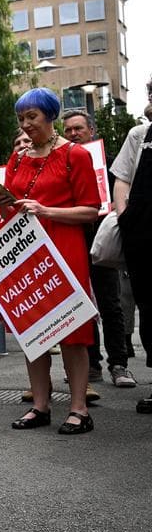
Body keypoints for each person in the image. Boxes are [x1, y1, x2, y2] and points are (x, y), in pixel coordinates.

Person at [0, 88, 100, 434]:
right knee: (32, 329)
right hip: (27, 250)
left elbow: (91, 209)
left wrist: (45, 210)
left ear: (50, 117)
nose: (26, 125)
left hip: (64, 246)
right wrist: (8, 202)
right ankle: (40, 405)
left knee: (72, 331)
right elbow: (9, 204)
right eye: (21, 119)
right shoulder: (19, 157)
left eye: (32, 118)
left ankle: (79, 408)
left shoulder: (75, 155)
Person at [62, 108, 134, 389]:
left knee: (109, 303)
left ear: (91, 131)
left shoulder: (111, 163)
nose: (73, 134)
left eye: (78, 128)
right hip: (73, 240)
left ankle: (119, 363)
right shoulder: (63, 162)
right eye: (68, 130)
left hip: (101, 242)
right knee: (80, 304)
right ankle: (90, 365)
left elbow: (124, 193)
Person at [111, 102, 152, 414]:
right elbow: (122, 177)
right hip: (142, 238)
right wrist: (125, 217)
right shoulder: (140, 135)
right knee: (149, 316)